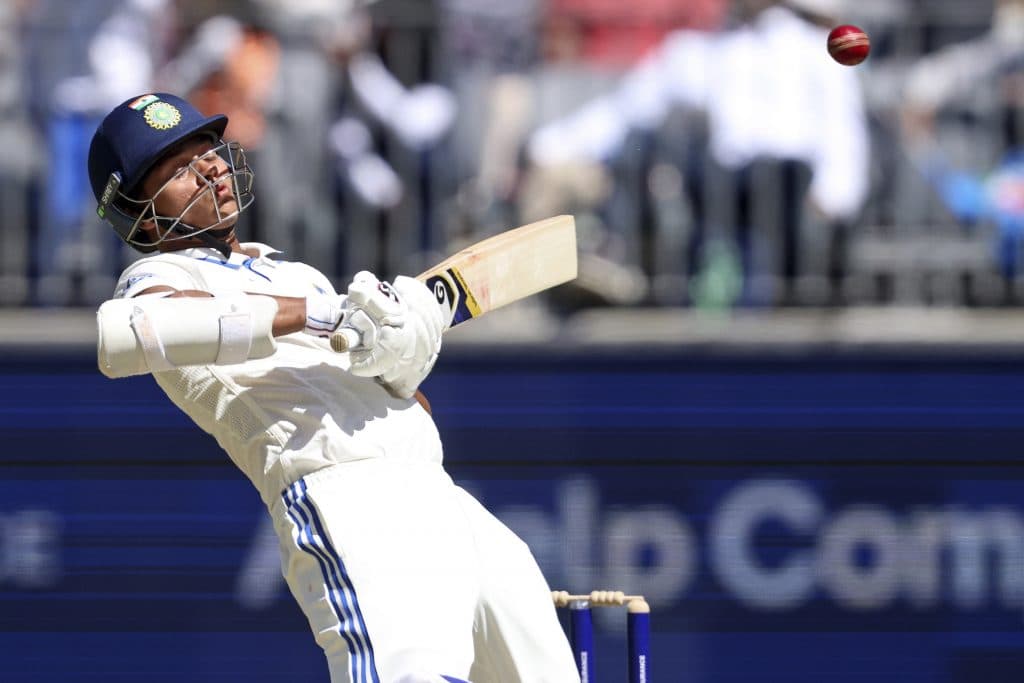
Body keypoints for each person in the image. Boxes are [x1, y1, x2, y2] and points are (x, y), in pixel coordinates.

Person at [88, 92, 579, 683]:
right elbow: (129, 335)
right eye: (179, 168)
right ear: (138, 212)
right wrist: (321, 314)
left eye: (208, 152)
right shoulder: (157, 276)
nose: (210, 169)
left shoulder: (293, 273)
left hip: (440, 490)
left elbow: (400, 402)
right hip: (351, 499)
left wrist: (403, 350)